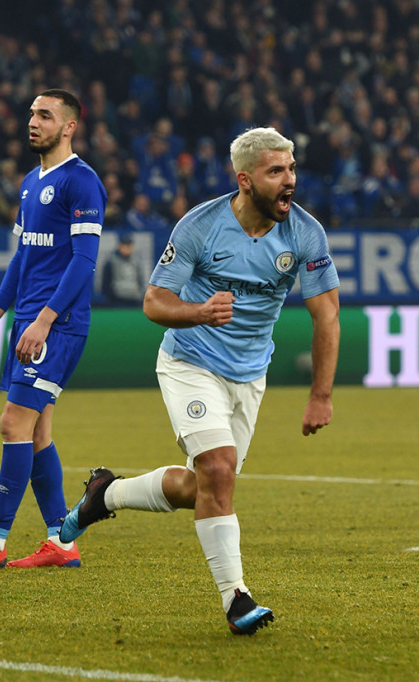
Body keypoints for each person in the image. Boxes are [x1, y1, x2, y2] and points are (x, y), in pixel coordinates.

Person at [59, 127, 340, 635]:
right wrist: (198, 312)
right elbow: (154, 302)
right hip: (190, 362)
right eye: (276, 172)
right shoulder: (201, 225)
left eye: (292, 170)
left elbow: (327, 316)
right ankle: (237, 599)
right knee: (218, 466)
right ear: (246, 179)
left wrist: (320, 395)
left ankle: (106, 494)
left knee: (204, 485)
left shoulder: (304, 233)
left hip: (250, 376)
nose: (289, 181)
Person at [0, 89, 107, 571]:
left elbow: (84, 262)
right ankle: (60, 540)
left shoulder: (82, 183)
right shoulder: (29, 181)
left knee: (12, 422)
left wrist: (43, 319)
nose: (33, 122)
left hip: (57, 325)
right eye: (32, 114)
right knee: (36, 433)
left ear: (70, 126)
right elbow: (23, 258)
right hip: (29, 323)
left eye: (45, 115)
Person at [101, 234, 144, 305]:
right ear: (119, 246)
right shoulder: (111, 261)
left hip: (134, 299)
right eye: (125, 245)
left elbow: (140, 281)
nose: (127, 248)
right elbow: (105, 282)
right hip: (117, 300)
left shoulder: (136, 262)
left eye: (129, 245)